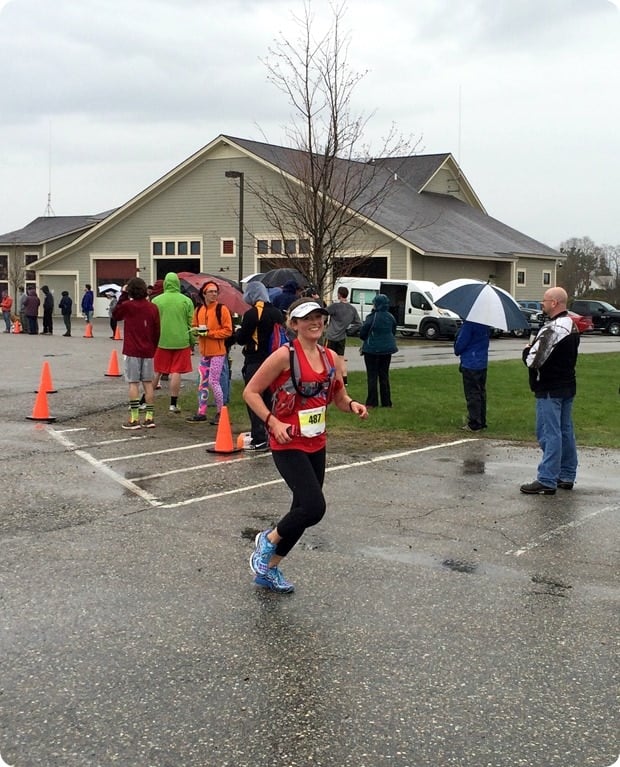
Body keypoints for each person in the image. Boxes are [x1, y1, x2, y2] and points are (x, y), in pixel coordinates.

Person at [243, 297, 368, 593]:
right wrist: (272, 422)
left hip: (316, 442)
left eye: (319, 317)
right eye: (307, 318)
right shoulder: (284, 356)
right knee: (313, 507)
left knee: (300, 509)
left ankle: (269, 569)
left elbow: (337, 397)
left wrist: (352, 405)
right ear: (294, 324)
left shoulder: (330, 358)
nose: (315, 322)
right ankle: (267, 540)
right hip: (287, 442)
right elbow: (251, 392)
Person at [520, 286, 580, 495]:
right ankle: (566, 474)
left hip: (550, 388)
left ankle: (547, 478)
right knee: (565, 431)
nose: (542, 304)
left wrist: (527, 350)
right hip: (567, 385)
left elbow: (533, 360)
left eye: (545, 300)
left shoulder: (552, 329)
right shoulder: (572, 325)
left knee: (548, 432)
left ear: (554, 303)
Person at [235, 281, 285, 450]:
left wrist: (238, 332)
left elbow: (242, 338)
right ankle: (272, 432)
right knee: (270, 398)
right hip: (275, 359)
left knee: (253, 397)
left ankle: (259, 436)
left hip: (256, 359)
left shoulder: (252, 313)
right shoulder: (277, 313)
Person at [113, 278, 161, 429]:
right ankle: (149, 417)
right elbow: (157, 330)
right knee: (148, 383)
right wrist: (154, 346)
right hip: (148, 350)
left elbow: (116, 314)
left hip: (132, 349)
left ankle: (134, 418)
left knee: (133, 383)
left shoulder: (128, 306)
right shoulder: (153, 307)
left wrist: (123, 294)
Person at [185, 281, 233, 425]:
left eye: (215, 291)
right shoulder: (199, 310)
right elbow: (194, 325)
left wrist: (209, 333)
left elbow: (228, 330)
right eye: (210, 291)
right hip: (205, 352)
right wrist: (196, 332)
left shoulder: (222, 309)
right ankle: (201, 412)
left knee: (214, 381)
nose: (213, 294)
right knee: (202, 382)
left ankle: (221, 411)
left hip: (218, 352)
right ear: (204, 294)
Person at [151, 272, 194, 413]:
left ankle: (146, 399)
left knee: (157, 370)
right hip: (181, 340)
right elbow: (191, 323)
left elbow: (152, 322)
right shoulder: (186, 300)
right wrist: (192, 341)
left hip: (161, 340)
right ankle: (173, 404)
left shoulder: (156, 301)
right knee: (176, 371)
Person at [359, 293, 398, 408]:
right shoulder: (391, 317)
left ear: (376, 304)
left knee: (372, 376)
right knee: (384, 376)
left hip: (371, 350)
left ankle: (372, 402)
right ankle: (386, 402)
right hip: (387, 350)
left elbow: (363, 333)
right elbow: (393, 331)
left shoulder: (372, 317)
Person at [454, 320, 490, 432]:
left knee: (472, 393)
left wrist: (456, 343)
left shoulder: (469, 325)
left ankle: (474, 423)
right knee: (481, 392)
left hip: (470, 362)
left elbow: (460, 345)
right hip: (482, 362)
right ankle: (481, 420)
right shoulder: (485, 325)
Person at [325, 285, 361, 385]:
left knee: (328, 357)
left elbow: (324, 312)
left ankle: (328, 378)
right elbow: (359, 323)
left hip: (331, 336)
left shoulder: (335, 306)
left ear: (339, 295)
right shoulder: (352, 309)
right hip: (342, 337)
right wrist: (349, 331)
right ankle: (344, 380)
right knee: (341, 358)